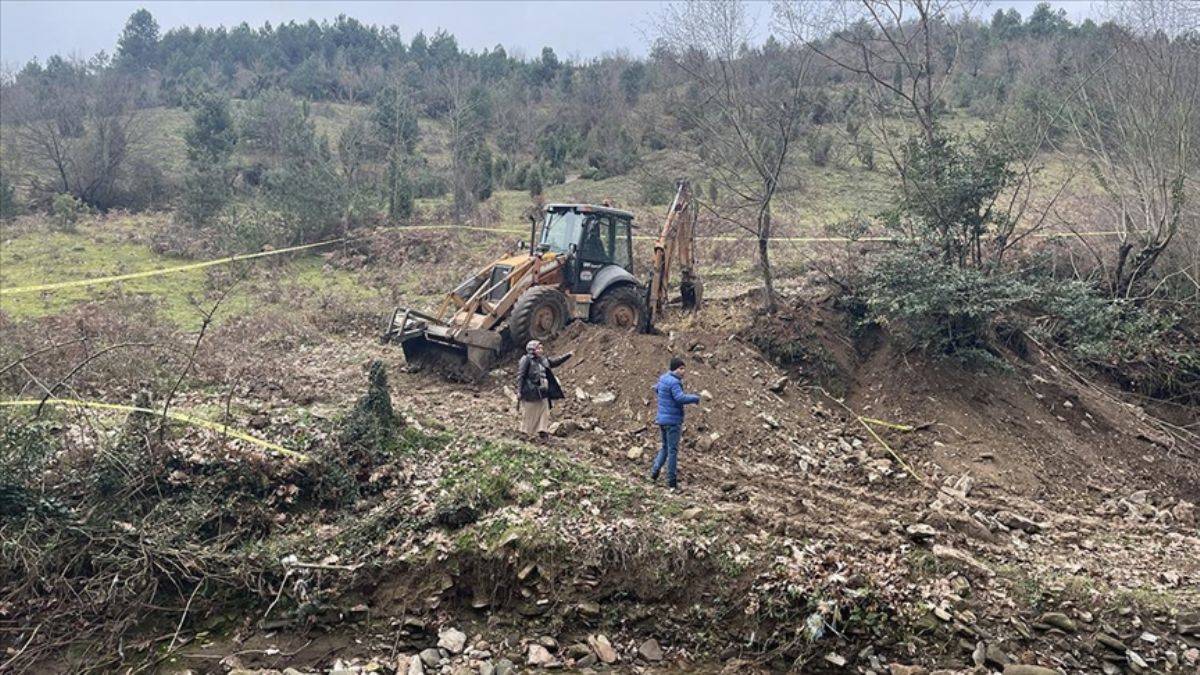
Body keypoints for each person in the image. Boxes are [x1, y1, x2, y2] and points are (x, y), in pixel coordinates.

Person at [650, 356, 702, 490]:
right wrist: (695, 398)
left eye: (684, 368)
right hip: (672, 421)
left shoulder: (663, 378)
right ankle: (671, 482)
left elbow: (656, 388)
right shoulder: (674, 382)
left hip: (662, 419)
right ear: (675, 369)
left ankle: (654, 472)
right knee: (672, 451)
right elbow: (679, 398)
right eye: (681, 368)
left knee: (665, 448)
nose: (683, 371)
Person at [516, 340, 573, 438]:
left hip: (542, 390)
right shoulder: (526, 359)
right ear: (532, 350)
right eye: (538, 348)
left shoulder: (543, 360)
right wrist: (519, 390)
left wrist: (568, 355)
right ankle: (525, 432)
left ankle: (542, 430)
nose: (541, 350)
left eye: (541, 348)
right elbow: (521, 376)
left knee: (544, 409)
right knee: (530, 411)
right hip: (531, 390)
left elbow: (555, 361)